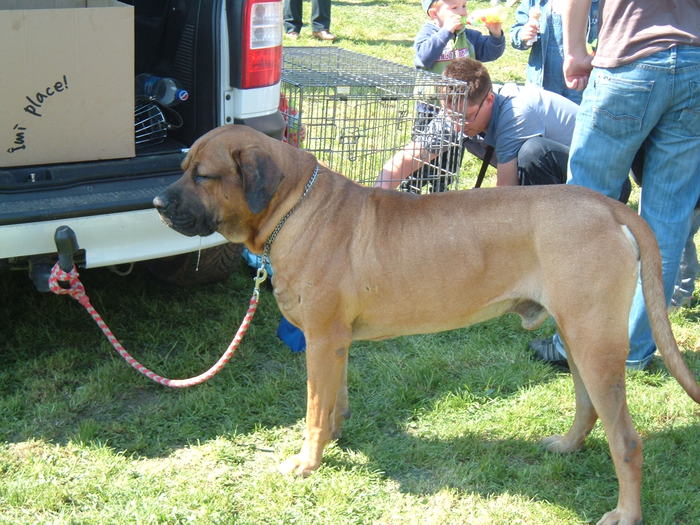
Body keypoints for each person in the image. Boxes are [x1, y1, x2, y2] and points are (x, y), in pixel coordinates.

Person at [530, 0, 700, 370]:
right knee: (668, 220)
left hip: (629, 58)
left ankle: (573, 343)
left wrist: (574, 52)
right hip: (694, 63)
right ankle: (636, 351)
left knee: (582, 209)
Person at [376, 58, 580, 190]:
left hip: (591, 178)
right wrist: (373, 201)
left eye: (466, 117)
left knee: (532, 152)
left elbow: (506, 192)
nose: (457, 126)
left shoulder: (516, 113)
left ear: (489, 100)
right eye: (451, 116)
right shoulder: (456, 113)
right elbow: (406, 160)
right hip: (553, 180)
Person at [410, 0, 505, 192]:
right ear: (434, 13)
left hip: (458, 112)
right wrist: (445, 32)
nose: (461, 12)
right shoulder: (429, 33)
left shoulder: (467, 35)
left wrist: (495, 35)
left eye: (464, 6)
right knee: (422, 155)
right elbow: (423, 58)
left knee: (449, 160)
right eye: (454, 8)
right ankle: (411, 188)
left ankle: (440, 192)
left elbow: (490, 51)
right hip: (431, 107)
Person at [510, 0, 599, 104]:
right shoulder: (534, 2)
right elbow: (516, 34)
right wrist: (523, 35)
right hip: (542, 86)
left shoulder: (596, 4)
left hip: (581, 85)